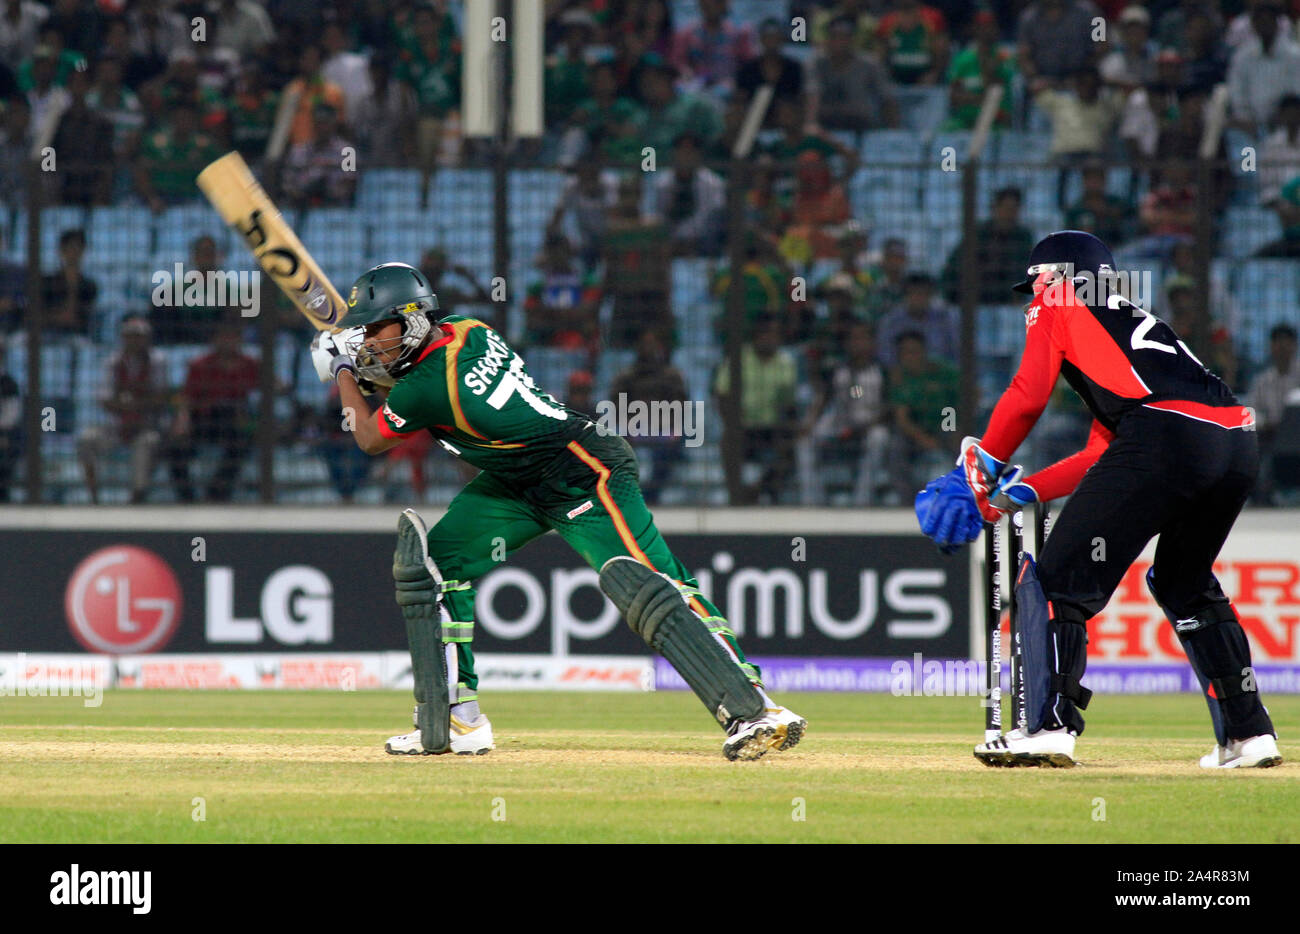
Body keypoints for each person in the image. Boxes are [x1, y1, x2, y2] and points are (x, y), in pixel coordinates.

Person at [309, 262, 805, 760]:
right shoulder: (470, 330)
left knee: (652, 583)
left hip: (584, 472)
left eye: (376, 328)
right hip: (516, 483)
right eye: (364, 331)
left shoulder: (429, 388)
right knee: (433, 568)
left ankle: (756, 708)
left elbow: (371, 437)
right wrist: (364, 367)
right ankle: (458, 720)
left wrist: (344, 371)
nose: (369, 340)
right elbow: (410, 386)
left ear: (413, 318)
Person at [916, 230, 1281, 769]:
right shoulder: (1130, 323)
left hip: (1164, 436)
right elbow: (1102, 455)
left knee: (1059, 581)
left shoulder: (1057, 301)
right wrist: (1017, 494)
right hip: (1234, 441)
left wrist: (981, 467)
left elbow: (1026, 394)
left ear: (1061, 274)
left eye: (1035, 280)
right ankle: (1249, 736)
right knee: (1184, 582)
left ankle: (1048, 727)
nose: (1031, 294)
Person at [77, 317, 168, 504]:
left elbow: (160, 398)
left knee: (147, 443)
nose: (135, 340)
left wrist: (127, 401)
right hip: (115, 426)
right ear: (123, 337)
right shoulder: (112, 362)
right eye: (130, 336)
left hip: (146, 426)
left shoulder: (157, 361)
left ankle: (136, 498)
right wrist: (136, 402)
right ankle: (94, 498)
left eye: (139, 336)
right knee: (86, 439)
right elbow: (105, 400)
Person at [167, 324, 259, 503]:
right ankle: (186, 498)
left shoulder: (250, 364)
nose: (228, 342)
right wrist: (182, 421)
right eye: (223, 337)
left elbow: (274, 387)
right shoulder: (200, 364)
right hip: (203, 420)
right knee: (175, 449)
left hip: (235, 423)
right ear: (214, 340)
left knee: (241, 445)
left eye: (232, 337)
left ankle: (216, 494)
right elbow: (186, 397)